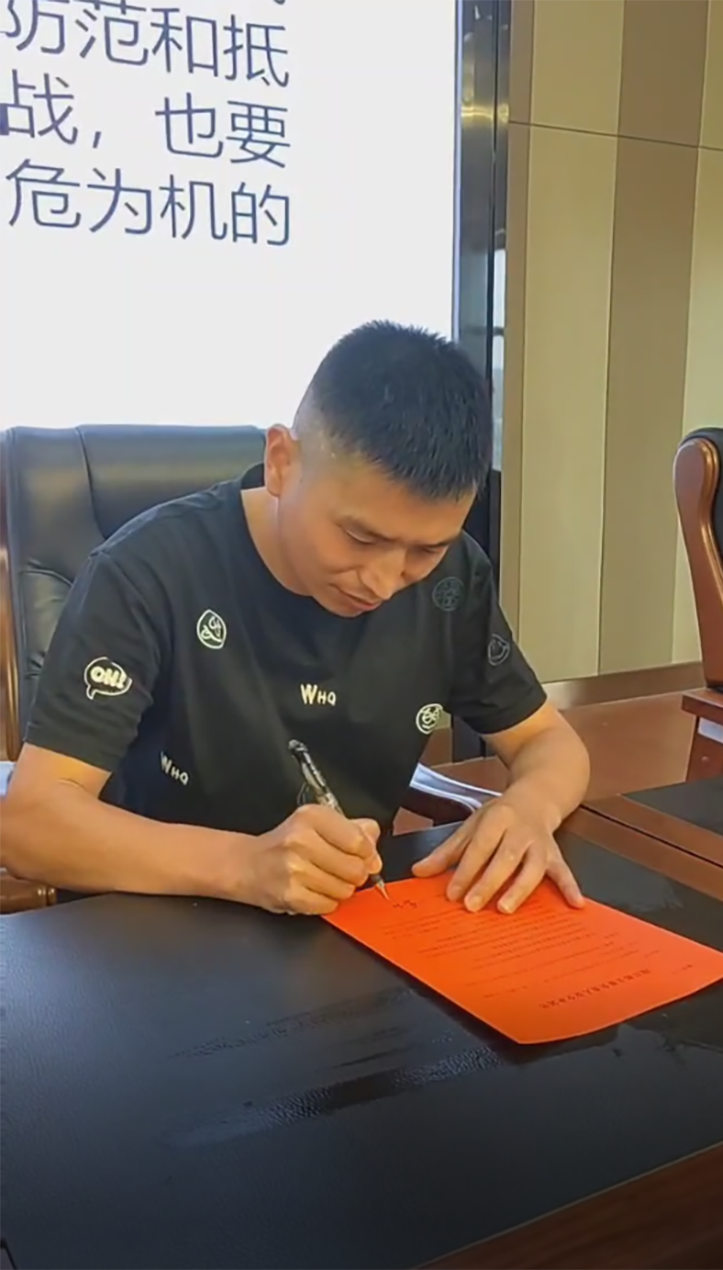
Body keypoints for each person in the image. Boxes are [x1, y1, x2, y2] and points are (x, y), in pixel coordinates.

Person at [1, 321, 590, 917]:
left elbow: (547, 741)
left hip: (344, 921)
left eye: (426, 549)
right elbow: (30, 824)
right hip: (151, 925)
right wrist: (245, 866)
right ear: (281, 462)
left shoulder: (452, 580)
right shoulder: (147, 571)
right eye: (360, 538)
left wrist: (530, 807)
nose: (385, 581)